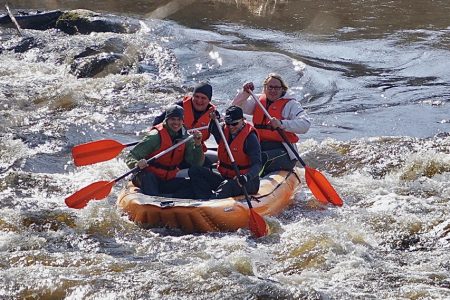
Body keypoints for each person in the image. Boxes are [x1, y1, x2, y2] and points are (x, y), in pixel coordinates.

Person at [232, 73, 310, 176]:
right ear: (265, 88)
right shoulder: (258, 101)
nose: (273, 90)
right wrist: (245, 93)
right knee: (241, 153)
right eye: (270, 87)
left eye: (277, 88)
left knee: (261, 158)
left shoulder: (291, 104)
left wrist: (281, 123)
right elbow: (235, 108)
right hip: (259, 146)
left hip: (283, 152)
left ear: (283, 89)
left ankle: (250, 180)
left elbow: (305, 125)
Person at [125, 105, 204, 198]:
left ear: (183, 121)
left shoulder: (186, 138)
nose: (176, 123)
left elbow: (196, 163)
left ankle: (175, 205)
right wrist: (136, 164)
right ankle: (153, 204)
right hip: (149, 177)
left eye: (179, 120)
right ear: (166, 120)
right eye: (173, 119)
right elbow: (131, 156)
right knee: (148, 178)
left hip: (168, 179)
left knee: (192, 186)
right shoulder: (155, 137)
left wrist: (198, 145)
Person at [188, 106, 262, 200]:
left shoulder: (250, 138)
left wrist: (246, 177)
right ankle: (204, 199)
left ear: (243, 120)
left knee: (229, 185)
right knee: (195, 170)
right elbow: (212, 129)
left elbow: (258, 164)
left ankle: (213, 201)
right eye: (228, 123)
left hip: (245, 182)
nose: (231, 127)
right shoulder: (223, 129)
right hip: (225, 177)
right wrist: (213, 119)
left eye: (235, 124)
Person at [153, 82, 216, 167]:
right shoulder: (178, 107)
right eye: (196, 96)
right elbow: (157, 122)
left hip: (194, 151)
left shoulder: (213, 115)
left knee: (209, 169)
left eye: (203, 98)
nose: (199, 101)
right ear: (192, 96)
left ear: (209, 100)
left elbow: (222, 138)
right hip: (174, 150)